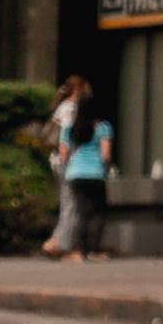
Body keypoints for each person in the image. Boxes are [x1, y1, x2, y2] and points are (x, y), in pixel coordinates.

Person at [42, 76, 93, 257]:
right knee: (70, 203)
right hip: (65, 160)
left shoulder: (62, 107)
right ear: (77, 90)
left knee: (68, 201)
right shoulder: (69, 109)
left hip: (58, 159)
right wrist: (69, 160)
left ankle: (56, 240)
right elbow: (65, 138)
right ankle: (61, 245)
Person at [59, 99, 113, 261]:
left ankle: (78, 251)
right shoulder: (103, 127)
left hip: (75, 174)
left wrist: (71, 166)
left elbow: (63, 153)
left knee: (80, 211)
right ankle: (93, 251)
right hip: (96, 174)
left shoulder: (69, 129)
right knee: (97, 212)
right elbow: (106, 154)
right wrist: (106, 169)